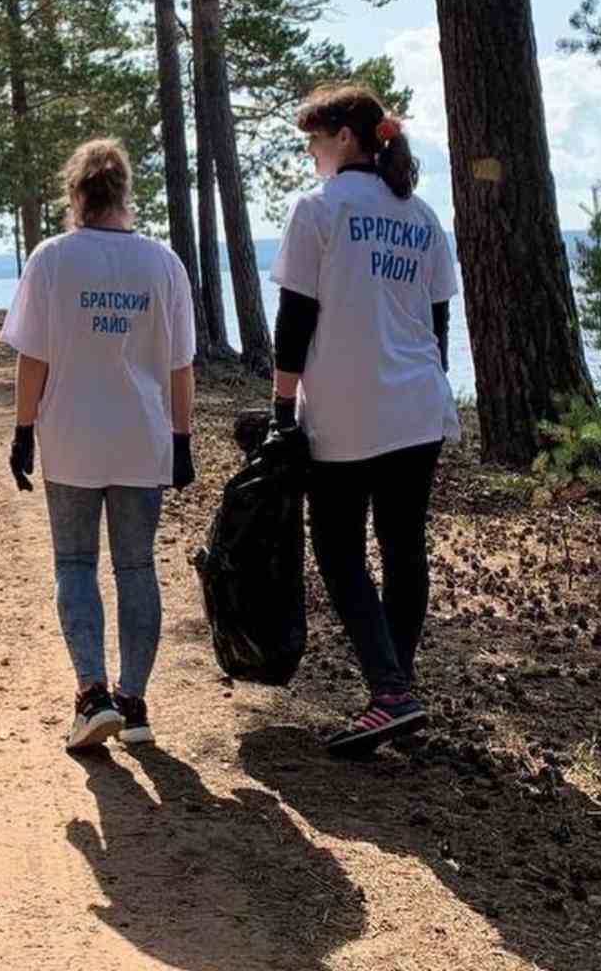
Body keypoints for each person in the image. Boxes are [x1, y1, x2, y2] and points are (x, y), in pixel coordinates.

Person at [269, 84, 459, 758]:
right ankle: (396, 690)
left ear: (344, 138)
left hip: (348, 411)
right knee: (404, 550)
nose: (313, 155)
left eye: (315, 142)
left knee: (340, 548)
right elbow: (438, 326)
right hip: (419, 407)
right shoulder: (424, 216)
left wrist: (280, 410)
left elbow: (295, 322)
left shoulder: (319, 210)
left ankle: (390, 693)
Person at [0, 138, 197, 753]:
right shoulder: (163, 264)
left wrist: (23, 430)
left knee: (76, 564)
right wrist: (182, 440)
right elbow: (180, 367)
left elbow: (33, 358)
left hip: (72, 436)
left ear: (76, 193)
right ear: (123, 194)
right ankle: (133, 703)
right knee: (137, 567)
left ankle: (92, 696)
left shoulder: (52, 259)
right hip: (142, 436)